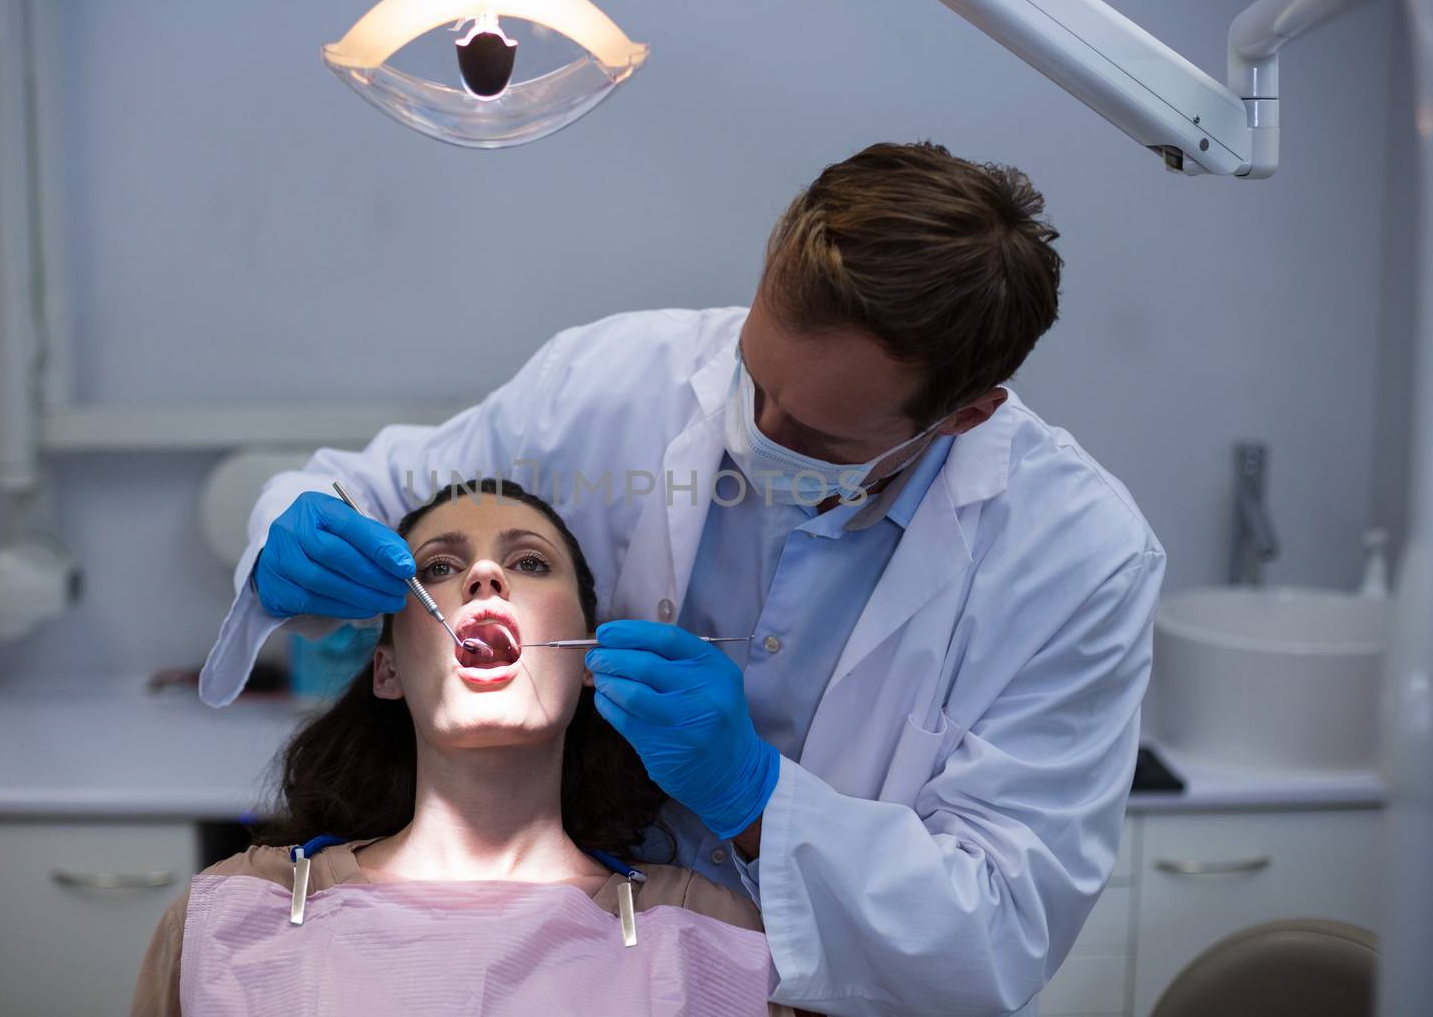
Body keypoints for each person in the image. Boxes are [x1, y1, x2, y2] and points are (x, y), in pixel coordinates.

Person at [200, 141, 1166, 1015]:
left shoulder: (1078, 559)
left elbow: (996, 935)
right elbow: (376, 488)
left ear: (963, 415)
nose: (758, 431)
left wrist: (757, 799)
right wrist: (293, 531)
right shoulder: (617, 380)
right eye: (754, 380)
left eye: (817, 435)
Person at [139, 479, 802, 1016]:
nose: (485, 574)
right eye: (441, 566)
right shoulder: (229, 916)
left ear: (589, 663)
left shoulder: (704, 930)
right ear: (388, 670)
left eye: (530, 561)